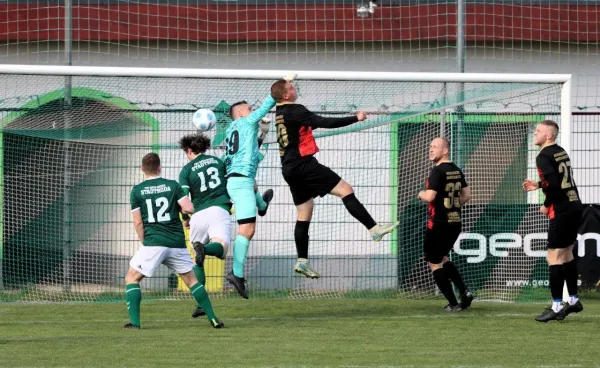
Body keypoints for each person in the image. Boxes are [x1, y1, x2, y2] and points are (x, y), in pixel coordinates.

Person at [270, 77, 399, 279]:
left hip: (288, 168)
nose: (295, 89)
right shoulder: (296, 109)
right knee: (345, 190)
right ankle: (374, 229)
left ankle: (302, 261)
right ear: (286, 95)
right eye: (292, 87)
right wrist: (356, 118)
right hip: (304, 165)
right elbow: (324, 122)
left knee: (304, 211)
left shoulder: (279, 112)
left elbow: (279, 96)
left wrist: (284, 81)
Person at [126, 153, 223, 329]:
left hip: (153, 242)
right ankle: (213, 318)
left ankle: (134, 323)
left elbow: (138, 221)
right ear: (159, 167)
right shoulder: (172, 185)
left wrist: (144, 241)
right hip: (176, 242)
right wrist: (184, 214)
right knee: (191, 280)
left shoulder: (137, 191)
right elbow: (188, 207)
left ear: (142, 170)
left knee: (132, 278)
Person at [522, 120, 584, 322]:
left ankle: (557, 305)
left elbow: (555, 185)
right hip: (574, 204)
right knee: (566, 254)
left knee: (553, 257)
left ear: (549, 135)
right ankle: (573, 301)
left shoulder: (543, 156)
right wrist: (539, 184)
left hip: (562, 209)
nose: (535, 134)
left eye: (538, 131)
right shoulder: (560, 151)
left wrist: (546, 203)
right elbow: (559, 179)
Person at [223, 88, 278, 298]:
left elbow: (250, 149)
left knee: (253, 186)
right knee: (247, 230)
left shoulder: (232, 129)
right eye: (249, 109)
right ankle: (236, 274)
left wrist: (262, 133)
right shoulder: (246, 122)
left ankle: (262, 205)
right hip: (241, 182)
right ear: (240, 113)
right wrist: (276, 92)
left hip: (238, 180)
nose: (252, 110)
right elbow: (265, 107)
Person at [417, 137, 473, 311]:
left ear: (445, 150)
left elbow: (430, 197)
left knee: (434, 263)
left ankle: (454, 303)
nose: (431, 149)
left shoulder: (438, 170)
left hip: (438, 223)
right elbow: (467, 195)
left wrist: (421, 194)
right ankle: (465, 292)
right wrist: (452, 208)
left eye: (435, 147)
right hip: (455, 222)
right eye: (430, 146)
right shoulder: (456, 169)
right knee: (443, 257)